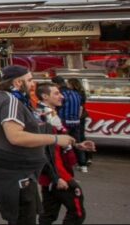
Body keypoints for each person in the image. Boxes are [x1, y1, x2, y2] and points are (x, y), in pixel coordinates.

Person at [0, 65, 76, 225]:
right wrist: (54, 139)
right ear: (18, 82)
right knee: (24, 217)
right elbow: (15, 137)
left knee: (20, 216)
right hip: (17, 174)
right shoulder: (10, 101)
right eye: (29, 80)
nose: (33, 84)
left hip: (12, 170)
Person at [34, 83, 95, 225]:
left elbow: (59, 140)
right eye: (56, 93)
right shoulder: (42, 117)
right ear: (45, 96)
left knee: (48, 215)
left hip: (53, 174)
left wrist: (77, 145)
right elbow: (42, 151)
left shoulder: (51, 113)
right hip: (57, 174)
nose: (61, 96)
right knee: (77, 212)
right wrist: (56, 178)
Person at [52, 76, 87, 173]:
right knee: (77, 142)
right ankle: (83, 164)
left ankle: (64, 164)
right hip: (75, 121)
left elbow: (58, 107)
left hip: (64, 121)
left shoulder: (61, 94)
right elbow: (80, 107)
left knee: (62, 143)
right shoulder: (76, 93)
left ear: (56, 84)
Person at [67, 78, 91, 167]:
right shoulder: (82, 93)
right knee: (81, 136)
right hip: (82, 116)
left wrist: (77, 117)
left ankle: (82, 160)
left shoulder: (74, 94)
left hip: (77, 116)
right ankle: (87, 157)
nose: (67, 85)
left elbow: (80, 108)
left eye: (68, 84)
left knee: (78, 138)